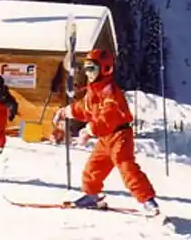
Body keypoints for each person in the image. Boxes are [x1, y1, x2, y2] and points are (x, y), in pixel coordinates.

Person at [54, 49, 160, 216]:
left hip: (119, 136)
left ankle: (148, 201)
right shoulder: (94, 90)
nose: (88, 73)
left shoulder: (110, 92)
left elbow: (108, 117)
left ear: (106, 69)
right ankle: (92, 196)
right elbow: (85, 108)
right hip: (105, 138)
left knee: (127, 168)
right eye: (86, 68)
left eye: (92, 69)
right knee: (93, 168)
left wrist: (89, 130)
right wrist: (67, 111)